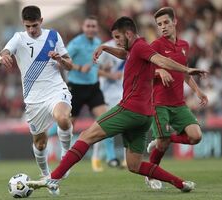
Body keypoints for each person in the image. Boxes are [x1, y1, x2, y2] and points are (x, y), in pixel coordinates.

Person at [26, 16, 207, 195]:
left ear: (128, 34)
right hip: (145, 116)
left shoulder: (142, 47)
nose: (117, 41)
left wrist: (186, 70)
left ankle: (53, 178)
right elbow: (125, 54)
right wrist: (105, 47)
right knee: (134, 165)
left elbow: (160, 60)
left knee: (85, 136)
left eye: (118, 38)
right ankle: (180, 183)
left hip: (129, 109)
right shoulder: (136, 48)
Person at [0, 5, 76, 195]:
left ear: (41, 21)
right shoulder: (18, 38)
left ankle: (67, 156)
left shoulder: (53, 36)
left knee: (63, 118)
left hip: (55, 90)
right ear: (23, 24)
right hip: (34, 99)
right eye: (28, 26)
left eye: (34, 25)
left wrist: (60, 59)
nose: (31, 30)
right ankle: (46, 176)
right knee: (40, 143)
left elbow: (70, 65)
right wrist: (0, 59)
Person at [144, 7, 209, 189]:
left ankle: (161, 139)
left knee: (196, 137)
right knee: (163, 145)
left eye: (166, 22)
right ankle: (150, 175)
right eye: (159, 24)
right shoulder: (155, 46)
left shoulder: (184, 46)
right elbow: (143, 71)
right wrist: (159, 70)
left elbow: (185, 72)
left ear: (175, 22)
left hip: (179, 103)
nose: (163, 27)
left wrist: (197, 91)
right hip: (159, 103)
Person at [66, 16, 114, 172]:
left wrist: (104, 68)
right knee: (68, 126)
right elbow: (63, 61)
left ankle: (111, 157)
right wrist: (79, 68)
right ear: (83, 27)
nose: (91, 28)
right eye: (88, 25)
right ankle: (64, 155)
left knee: (105, 120)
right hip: (76, 88)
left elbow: (94, 65)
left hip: (93, 86)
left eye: (94, 25)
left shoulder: (97, 43)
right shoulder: (75, 43)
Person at [97, 38, 125, 168]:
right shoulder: (106, 47)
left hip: (123, 92)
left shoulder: (132, 47)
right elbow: (94, 70)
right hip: (106, 93)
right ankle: (110, 157)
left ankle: (126, 158)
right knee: (107, 125)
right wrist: (109, 74)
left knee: (127, 125)